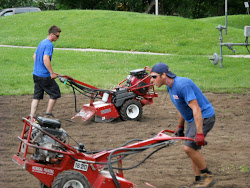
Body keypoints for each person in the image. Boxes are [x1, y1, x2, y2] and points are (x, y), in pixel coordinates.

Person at [150, 62, 216, 188]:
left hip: (204, 117)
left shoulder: (182, 85)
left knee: (189, 148)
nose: (152, 80)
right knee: (192, 149)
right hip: (192, 119)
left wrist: (200, 133)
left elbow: (196, 108)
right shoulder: (170, 86)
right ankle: (198, 181)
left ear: (163, 75)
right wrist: (180, 126)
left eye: (154, 77)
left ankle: (208, 176)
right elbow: (182, 107)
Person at [30, 25, 61, 120]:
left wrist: (40, 68)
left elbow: (34, 56)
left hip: (36, 74)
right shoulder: (49, 44)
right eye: (57, 36)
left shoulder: (42, 42)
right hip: (44, 76)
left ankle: (32, 116)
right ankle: (48, 114)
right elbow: (45, 58)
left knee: (37, 95)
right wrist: (51, 73)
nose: (58, 38)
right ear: (52, 34)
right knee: (55, 92)